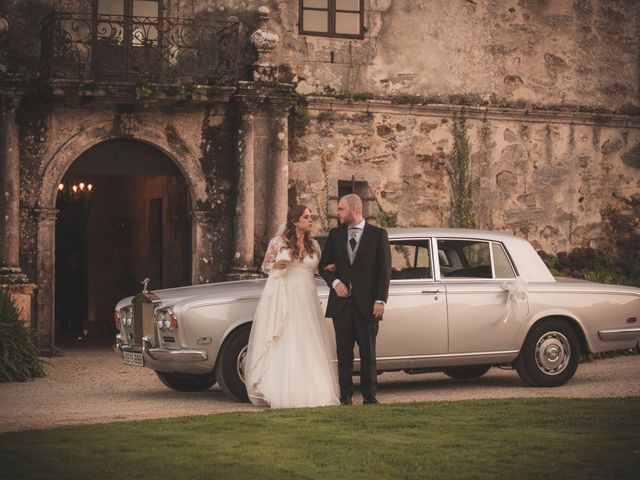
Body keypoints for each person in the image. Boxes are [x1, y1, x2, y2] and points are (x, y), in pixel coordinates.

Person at [244, 205, 340, 408]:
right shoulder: (279, 242)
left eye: (311, 217)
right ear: (295, 221)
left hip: (308, 298)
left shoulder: (314, 245)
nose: (310, 220)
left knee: (309, 341)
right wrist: (275, 266)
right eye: (306, 217)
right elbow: (264, 266)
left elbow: (317, 269)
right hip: (287, 298)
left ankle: (314, 390)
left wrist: (331, 268)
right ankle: (283, 390)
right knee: (287, 339)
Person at [319, 194, 391, 405]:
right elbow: (324, 266)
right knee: (344, 353)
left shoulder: (378, 235)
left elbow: (384, 270)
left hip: (368, 304)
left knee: (368, 353)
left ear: (354, 210)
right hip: (341, 306)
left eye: (341, 209)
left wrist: (380, 300)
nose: (337, 213)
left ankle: (370, 397)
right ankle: (346, 397)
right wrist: (336, 283)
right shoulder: (335, 234)